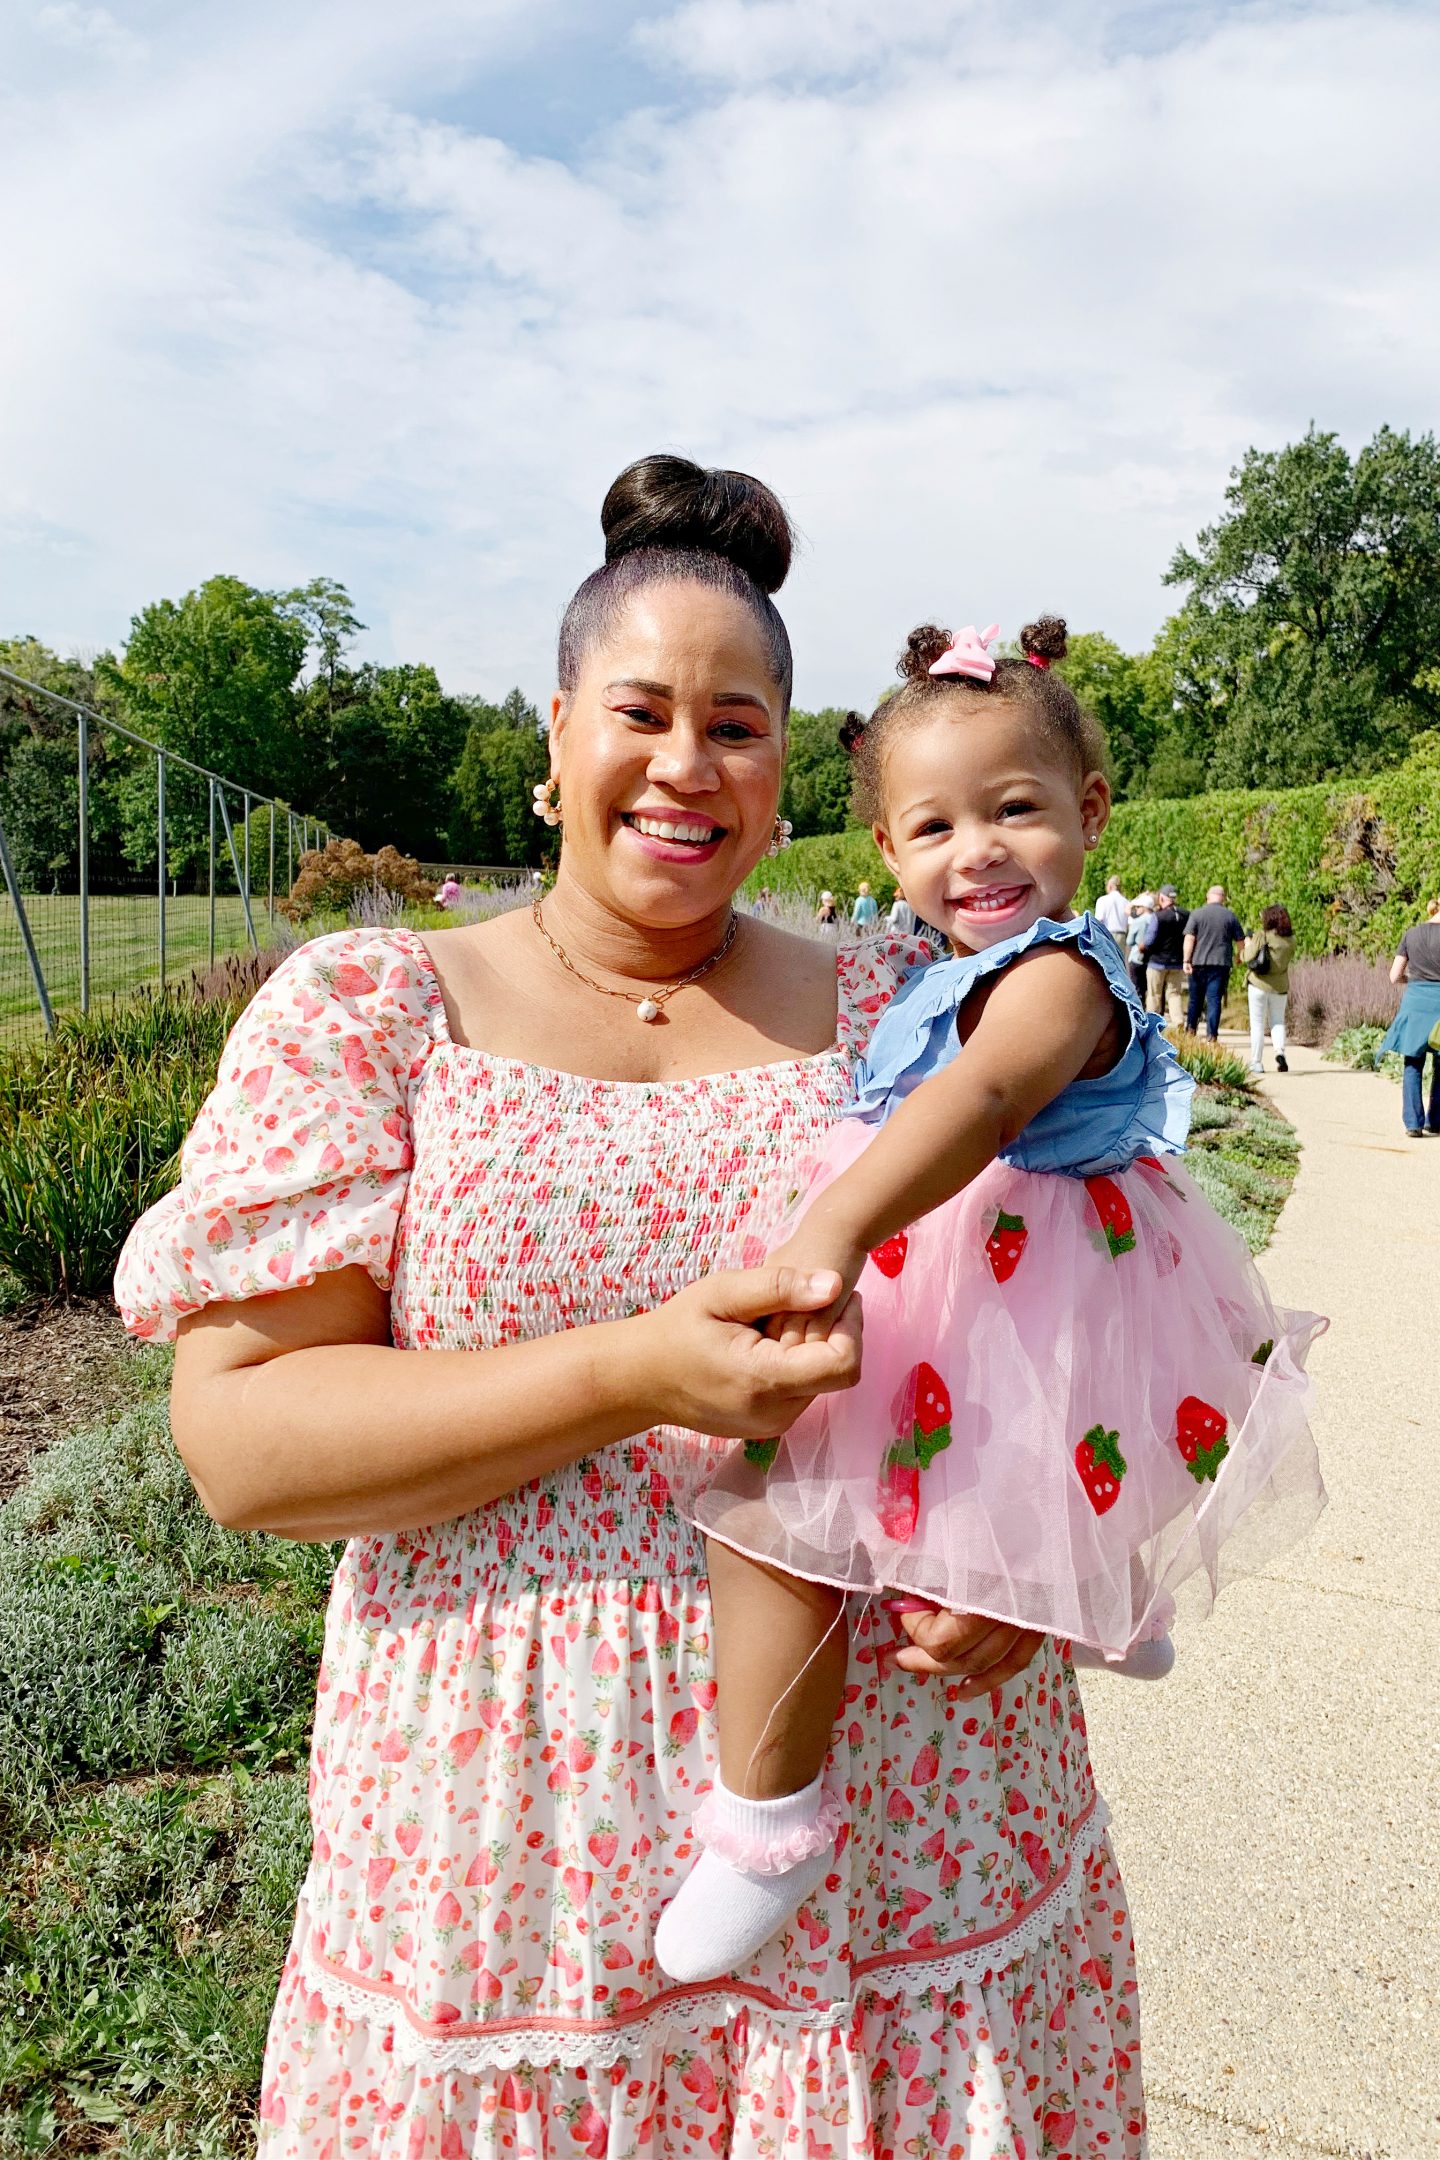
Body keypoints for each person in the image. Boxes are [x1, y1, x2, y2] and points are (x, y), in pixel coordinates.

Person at [111, 457, 1146, 2160]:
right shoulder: (376, 1013)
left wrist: (1034, 1561)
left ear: (791, 769)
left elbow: (1065, 1306)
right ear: (556, 734)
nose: (686, 763)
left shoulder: (907, 1007)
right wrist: (632, 1373)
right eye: (642, 710)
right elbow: (246, 1449)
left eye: (737, 724)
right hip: (510, 1846)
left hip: (917, 1830)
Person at [659, 615, 1326, 1986]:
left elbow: (986, 1096)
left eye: (1015, 809)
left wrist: (840, 1217)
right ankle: (1105, 1607)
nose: (978, 851)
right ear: (891, 856)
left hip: (1008, 1266)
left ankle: (768, 1824)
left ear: (1087, 813)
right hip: (1002, 1273)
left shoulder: (1065, 976)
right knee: (1015, 1463)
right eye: (934, 828)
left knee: (773, 1513)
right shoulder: (942, 970)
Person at [1380, 894, 1440, 1136]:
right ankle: (1435, 1120)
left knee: (1413, 1062)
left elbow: (1394, 976)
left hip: (1415, 1003)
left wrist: (1413, 980)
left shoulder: (1412, 933)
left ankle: (1413, 1123)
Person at [1183, 885, 1246, 1039]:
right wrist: (1239, 957)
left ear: (1208, 896)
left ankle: (1191, 1030)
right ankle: (1212, 1035)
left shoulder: (1197, 914)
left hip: (1199, 963)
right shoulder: (1230, 916)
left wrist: (1186, 960)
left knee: (1195, 999)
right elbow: (1240, 941)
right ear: (1223, 898)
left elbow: (1189, 938)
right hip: (1220, 964)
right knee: (1214, 999)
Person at [1241, 905, 1296, 1074]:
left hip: (1259, 984)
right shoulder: (1291, 940)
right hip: (1280, 986)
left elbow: (1246, 957)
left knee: (1257, 1024)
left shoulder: (1262, 936)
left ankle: (1256, 1062)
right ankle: (1280, 1052)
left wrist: (1248, 944)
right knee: (1278, 1021)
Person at [1139, 883, 1188, 1025]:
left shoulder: (1158, 916)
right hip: (1177, 962)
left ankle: (1152, 1024)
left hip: (1157, 962)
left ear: (1162, 898)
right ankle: (1178, 1020)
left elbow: (1149, 940)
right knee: (1174, 994)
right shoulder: (1186, 915)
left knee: (1154, 994)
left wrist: (1142, 947)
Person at [1125, 889, 1155, 1000]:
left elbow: (1129, 941)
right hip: (1151, 959)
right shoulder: (1156, 919)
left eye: (1138, 907)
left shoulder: (1138, 921)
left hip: (1136, 957)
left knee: (1136, 987)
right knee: (1147, 988)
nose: (1136, 909)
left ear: (1143, 908)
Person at [1095, 873, 1130, 941]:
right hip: (1122, 936)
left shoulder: (1102, 900)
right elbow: (1129, 923)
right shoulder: (1126, 902)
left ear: (1110, 886)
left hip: (1107, 935)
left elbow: (1099, 920)